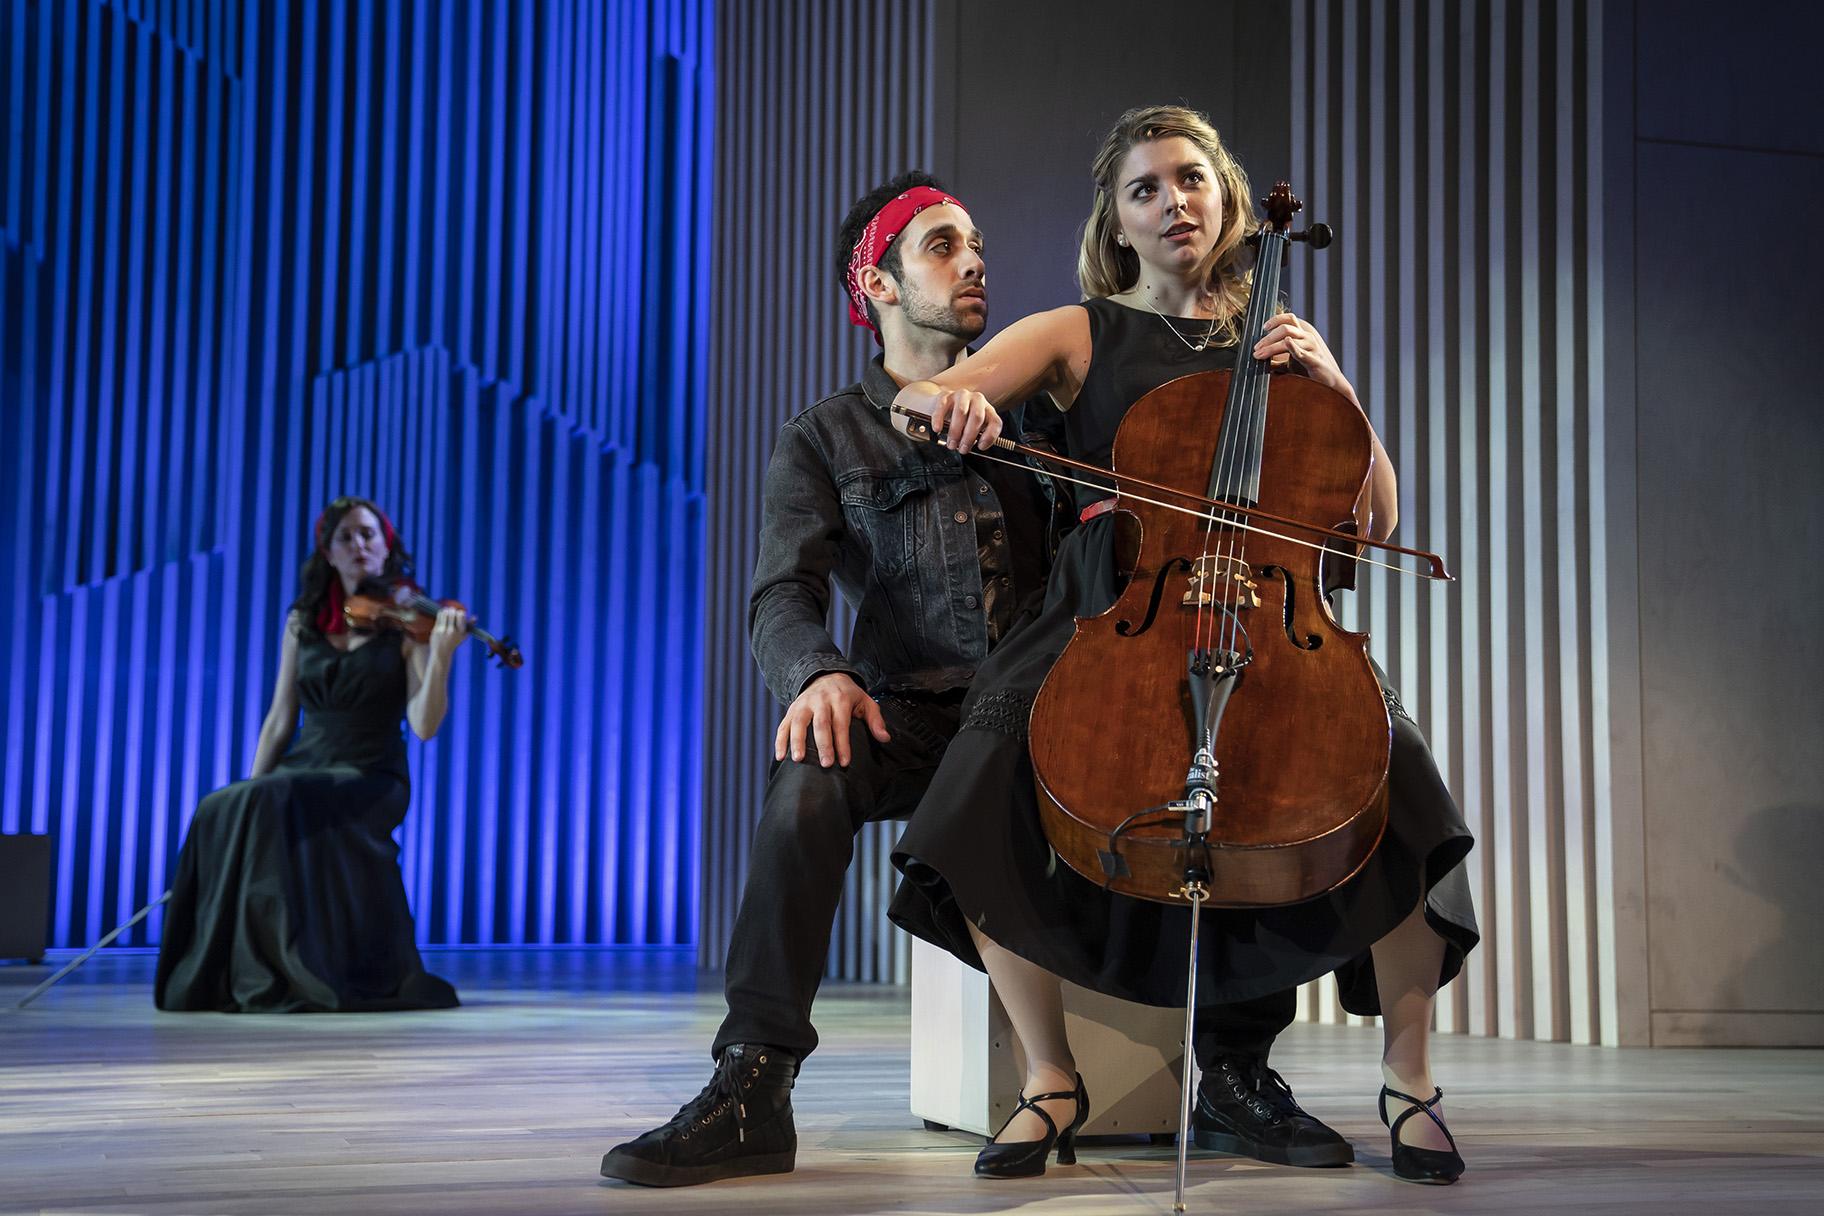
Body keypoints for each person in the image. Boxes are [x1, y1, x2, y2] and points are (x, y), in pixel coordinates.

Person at [887, 104, 1479, 1186]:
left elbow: (1375, 522)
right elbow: (926, 397)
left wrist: (1335, 382)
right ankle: (1050, 1077)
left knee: (1403, 784)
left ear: (1229, 199)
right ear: (1116, 221)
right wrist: (943, 408)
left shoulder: (1281, 346)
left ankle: (1408, 1076)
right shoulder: (1079, 330)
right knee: (981, 776)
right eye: (1146, 188)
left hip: (1268, 616)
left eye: (1191, 179)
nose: (1173, 202)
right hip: (1112, 608)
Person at [598, 172, 1064, 1188]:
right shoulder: (823, 435)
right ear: (879, 282)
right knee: (808, 775)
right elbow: (780, 595)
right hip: (917, 711)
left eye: (977, 242)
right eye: (943, 246)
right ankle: (753, 1082)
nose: (976, 260)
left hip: (1045, 714)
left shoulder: (1037, 412)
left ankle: (1234, 1068)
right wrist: (814, 677)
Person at [154, 496, 466, 1013]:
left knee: (272, 798)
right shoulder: (303, 622)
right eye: (345, 536)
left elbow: (424, 726)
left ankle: (281, 972)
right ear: (327, 552)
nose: (358, 545)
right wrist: (250, 794)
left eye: (368, 534)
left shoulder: (410, 628)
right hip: (307, 766)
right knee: (222, 806)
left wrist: (441, 658)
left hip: (370, 773)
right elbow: (280, 718)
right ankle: (227, 971)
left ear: (387, 546)